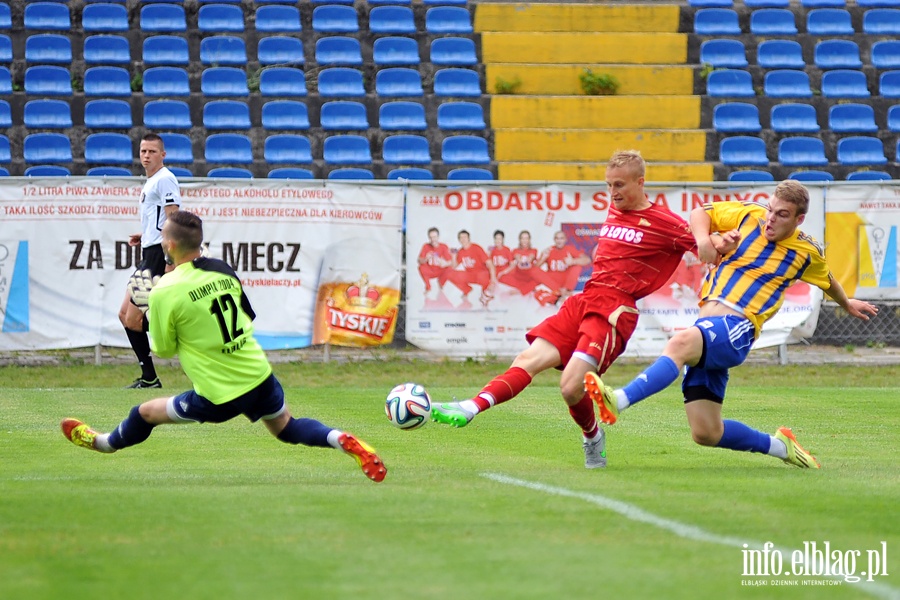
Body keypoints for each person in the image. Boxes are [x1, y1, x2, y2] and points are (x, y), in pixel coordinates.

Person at [61, 210, 387, 483]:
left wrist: (150, 310)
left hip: (217, 394)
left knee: (144, 413)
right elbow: (245, 315)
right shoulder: (223, 269)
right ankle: (339, 439)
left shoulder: (164, 291)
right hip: (257, 375)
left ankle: (103, 443)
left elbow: (162, 349)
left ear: (169, 245)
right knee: (287, 428)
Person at [431, 150, 704, 469]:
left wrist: (722, 240)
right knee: (527, 359)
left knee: (570, 386)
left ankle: (592, 437)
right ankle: (471, 407)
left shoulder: (665, 223)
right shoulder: (615, 208)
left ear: (640, 183)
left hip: (615, 310)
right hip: (585, 299)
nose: (613, 193)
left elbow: (704, 247)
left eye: (619, 185)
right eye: (608, 185)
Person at [585, 180, 879, 469]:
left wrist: (846, 303)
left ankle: (618, 400)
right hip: (708, 328)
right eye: (771, 210)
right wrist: (703, 241)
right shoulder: (748, 215)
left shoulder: (806, 252)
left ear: (799, 219)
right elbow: (701, 213)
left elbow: (827, 280)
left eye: (782, 215)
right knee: (706, 432)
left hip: (738, 327)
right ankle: (780, 446)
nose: (771, 219)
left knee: (679, 343)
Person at [119, 133, 182, 389]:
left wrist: (170, 261)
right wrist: (144, 234)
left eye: (152, 151)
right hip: (150, 251)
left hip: (159, 256)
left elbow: (173, 221)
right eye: (143, 151)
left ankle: (177, 338)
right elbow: (158, 222)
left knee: (133, 318)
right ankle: (149, 377)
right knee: (124, 314)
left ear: (162, 154)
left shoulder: (165, 179)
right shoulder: (151, 181)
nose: (146, 155)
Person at [533, 230, 592, 305]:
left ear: (565, 240)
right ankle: (561, 293)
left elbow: (587, 260)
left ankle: (562, 292)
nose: (559, 241)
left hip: (565, 280)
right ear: (554, 240)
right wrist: (542, 258)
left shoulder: (570, 249)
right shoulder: (549, 250)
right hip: (552, 281)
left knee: (577, 266)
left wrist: (573, 261)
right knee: (534, 271)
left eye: (561, 238)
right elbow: (534, 269)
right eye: (557, 238)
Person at [446, 229, 498, 308]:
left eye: (465, 237)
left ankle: (485, 295)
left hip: (482, 274)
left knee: (483, 276)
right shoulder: (460, 251)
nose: (463, 239)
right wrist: (453, 256)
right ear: (459, 240)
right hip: (470, 275)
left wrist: (493, 279)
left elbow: (490, 263)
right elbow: (454, 267)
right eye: (461, 238)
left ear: (469, 238)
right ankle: (467, 290)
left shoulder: (476, 248)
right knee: (449, 273)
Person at [496, 230, 539, 296]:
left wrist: (526, 260)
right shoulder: (515, 251)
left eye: (526, 238)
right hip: (518, 276)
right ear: (520, 240)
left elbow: (531, 257)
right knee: (502, 278)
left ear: (529, 240)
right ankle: (527, 288)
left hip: (528, 276)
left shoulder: (534, 250)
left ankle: (520, 291)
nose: (524, 240)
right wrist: (503, 272)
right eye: (523, 238)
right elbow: (515, 259)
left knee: (537, 280)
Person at [417, 227, 453, 293]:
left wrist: (445, 263)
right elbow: (419, 261)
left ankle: (441, 283)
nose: (433, 239)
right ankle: (428, 287)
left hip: (440, 270)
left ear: (438, 237)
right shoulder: (426, 246)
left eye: (434, 237)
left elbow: (451, 262)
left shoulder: (443, 246)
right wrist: (426, 259)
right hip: (430, 270)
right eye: (430, 237)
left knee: (450, 269)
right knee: (421, 267)